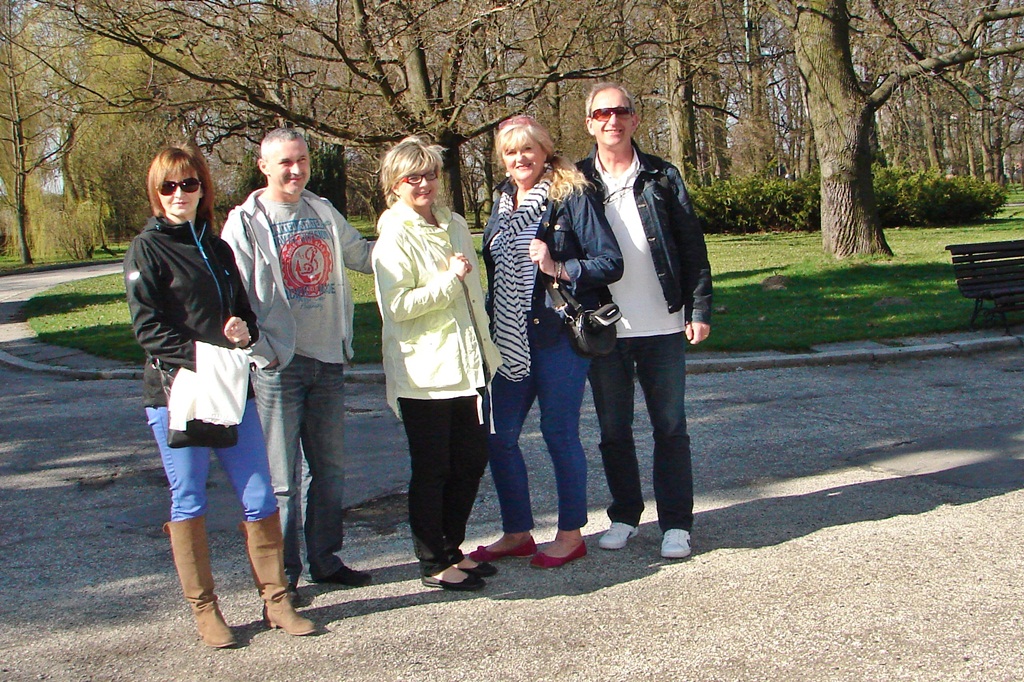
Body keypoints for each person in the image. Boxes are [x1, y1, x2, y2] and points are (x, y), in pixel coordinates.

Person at [124, 144, 315, 647]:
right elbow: (148, 331)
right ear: (156, 192)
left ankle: (277, 600)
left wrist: (241, 331)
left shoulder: (217, 248)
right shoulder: (147, 249)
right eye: (169, 186)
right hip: (178, 393)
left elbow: (244, 314)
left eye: (189, 184)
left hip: (232, 390)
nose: (179, 194)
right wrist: (208, 354)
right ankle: (205, 610)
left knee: (258, 494)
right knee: (188, 497)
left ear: (202, 189)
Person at [221, 128, 374, 600]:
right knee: (283, 481)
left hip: (327, 359)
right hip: (278, 366)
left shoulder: (322, 210)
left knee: (330, 471)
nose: (295, 170)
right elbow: (232, 290)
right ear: (264, 166)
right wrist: (261, 350)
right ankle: (283, 577)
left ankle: (325, 560)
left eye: (302, 160)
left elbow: (363, 255)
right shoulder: (245, 222)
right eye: (285, 162)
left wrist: (414, 238)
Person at [469, 116, 623, 569]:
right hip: (508, 338)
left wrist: (559, 266)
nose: (520, 158)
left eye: (528, 149)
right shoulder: (501, 202)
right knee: (499, 437)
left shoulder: (570, 196)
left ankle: (571, 534)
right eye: (511, 151)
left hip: (556, 337)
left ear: (544, 152)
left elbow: (610, 261)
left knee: (559, 434)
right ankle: (517, 532)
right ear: (502, 158)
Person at [577, 82, 713, 560]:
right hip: (605, 329)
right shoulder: (575, 182)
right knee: (613, 430)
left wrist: (698, 308)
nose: (612, 120)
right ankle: (625, 515)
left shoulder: (662, 175)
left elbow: (691, 245)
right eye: (602, 114)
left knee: (670, 427)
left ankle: (676, 523)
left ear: (634, 119)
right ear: (590, 124)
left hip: (664, 323)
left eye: (620, 111)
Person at [372, 136, 504, 591]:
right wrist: (449, 279)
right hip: (424, 373)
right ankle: (432, 561)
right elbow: (397, 307)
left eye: (430, 174)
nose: (424, 184)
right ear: (395, 184)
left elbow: (474, 294)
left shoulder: (454, 224)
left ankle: (451, 547)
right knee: (433, 469)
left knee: (470, 461)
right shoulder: (394, 236)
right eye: (413, 177)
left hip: (469, 364)